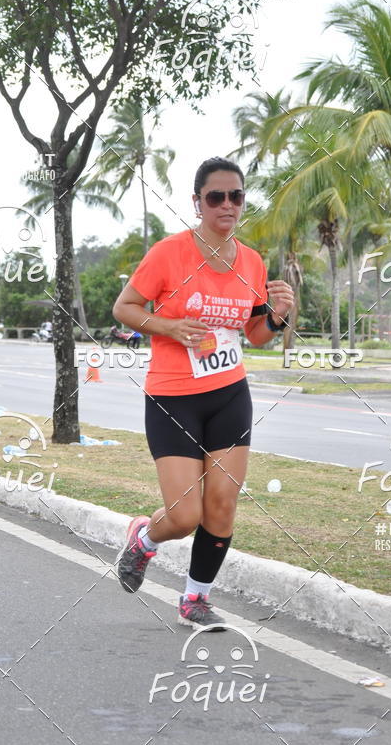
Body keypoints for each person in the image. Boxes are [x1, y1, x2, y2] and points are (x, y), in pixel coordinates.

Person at [112, 156, 294, 629]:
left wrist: (277, 314)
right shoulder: (168, 253)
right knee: (185, 514)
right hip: (173, 397)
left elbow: (255, 335)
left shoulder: (251, 262)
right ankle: (144, 540)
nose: (227, 205)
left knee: (222, 505)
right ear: (198, 203)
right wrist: (170, 326)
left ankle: (195, 599)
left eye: (236, 196)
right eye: (216, 196)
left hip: (230, 392)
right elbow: (126, 307)